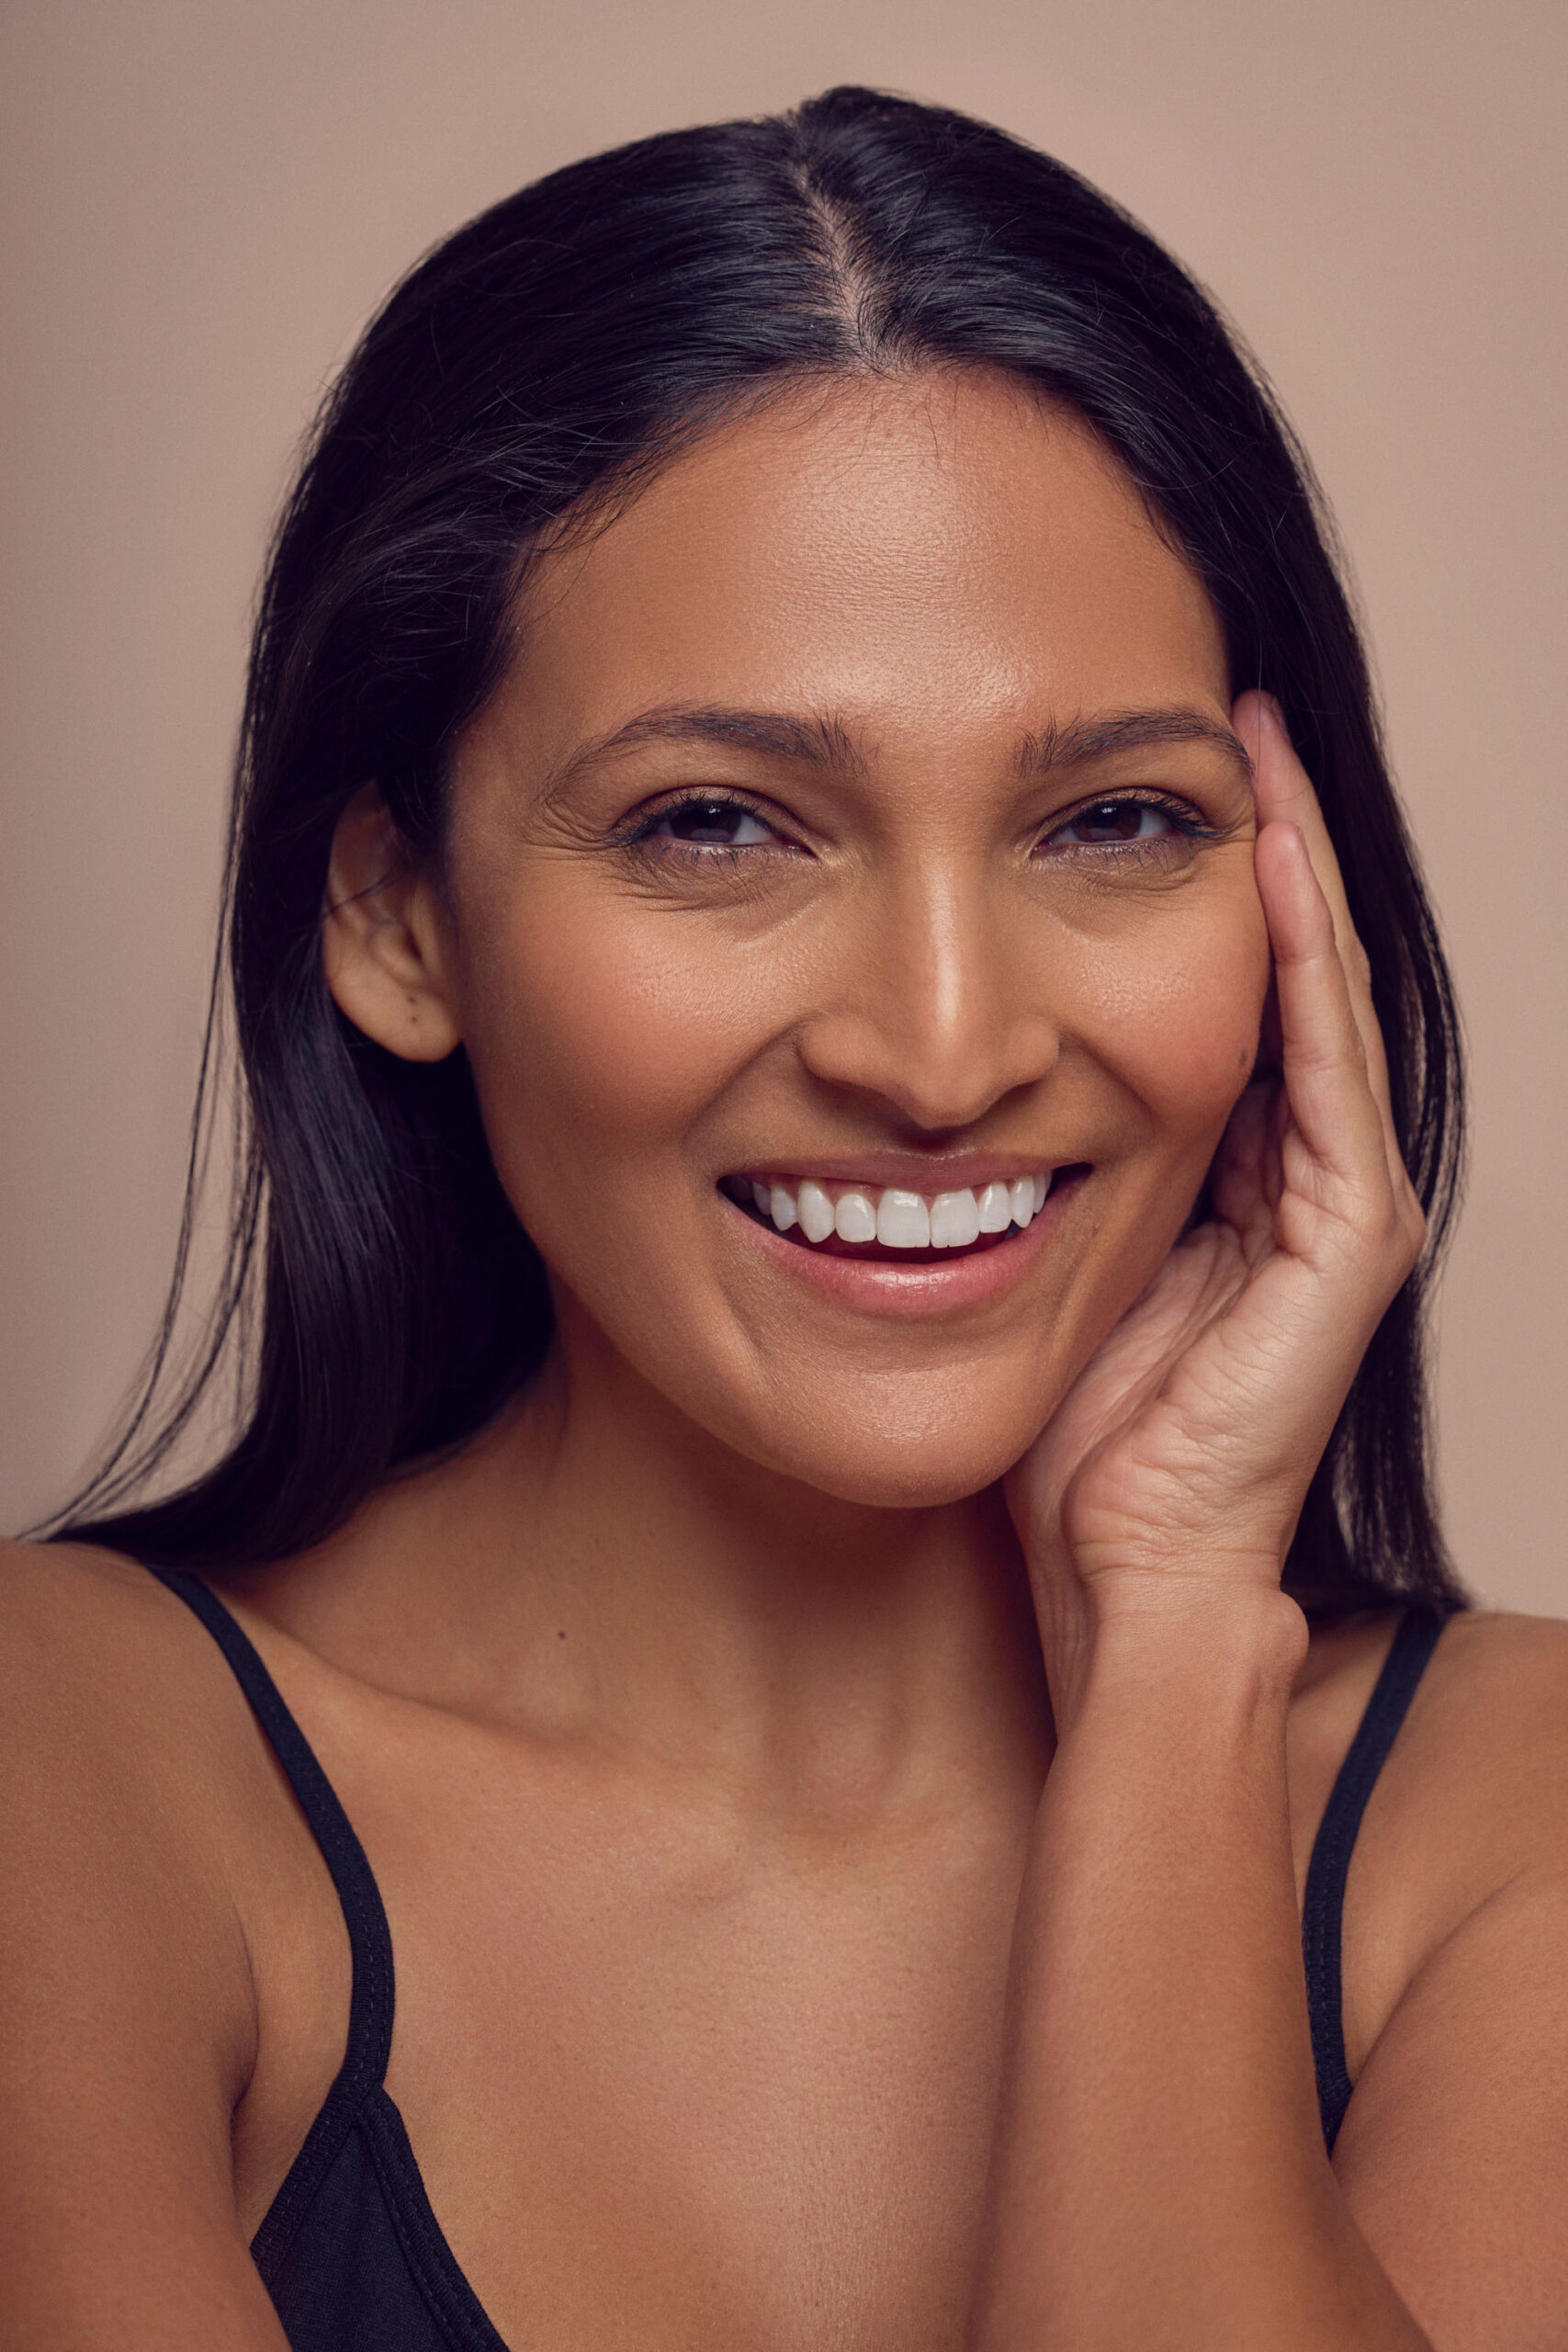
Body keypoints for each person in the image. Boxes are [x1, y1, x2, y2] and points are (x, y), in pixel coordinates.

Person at [3, 84, 1564, 2352]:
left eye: (1113, 817)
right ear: (394, 912)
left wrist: (1169, 1647)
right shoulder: (74, 1761)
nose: (937, 1053)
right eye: (720, 826)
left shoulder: (1500, 1822)